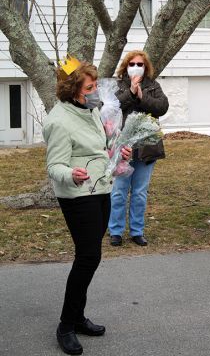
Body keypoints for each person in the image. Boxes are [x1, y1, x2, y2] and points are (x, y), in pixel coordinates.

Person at [42, 58, 131, 355]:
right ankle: (66, 325)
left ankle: (78, 318)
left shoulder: (90, 110)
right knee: (88, 256)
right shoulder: (58, 120)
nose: (96, 93)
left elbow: (100, 146)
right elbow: (54, 165)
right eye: (90, 87)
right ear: (73, 90)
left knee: (91, 256)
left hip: (101, 188)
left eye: (95, 86)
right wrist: (71, 173)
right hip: (78, 194)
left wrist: (119, 151)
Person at [108, 50, 169, 247]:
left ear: (146, 67)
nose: (136, 67)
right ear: (126, 66)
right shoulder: (118, 85)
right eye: (132, 63)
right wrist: (131, 93)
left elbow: (162, 107)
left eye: (140, 64)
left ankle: (137, 231)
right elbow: (111, 107)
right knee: (118, 191)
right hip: (122, 147)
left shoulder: (153, 85)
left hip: (146, 148)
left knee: (140, 192)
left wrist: (143, 97)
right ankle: (115, 231)